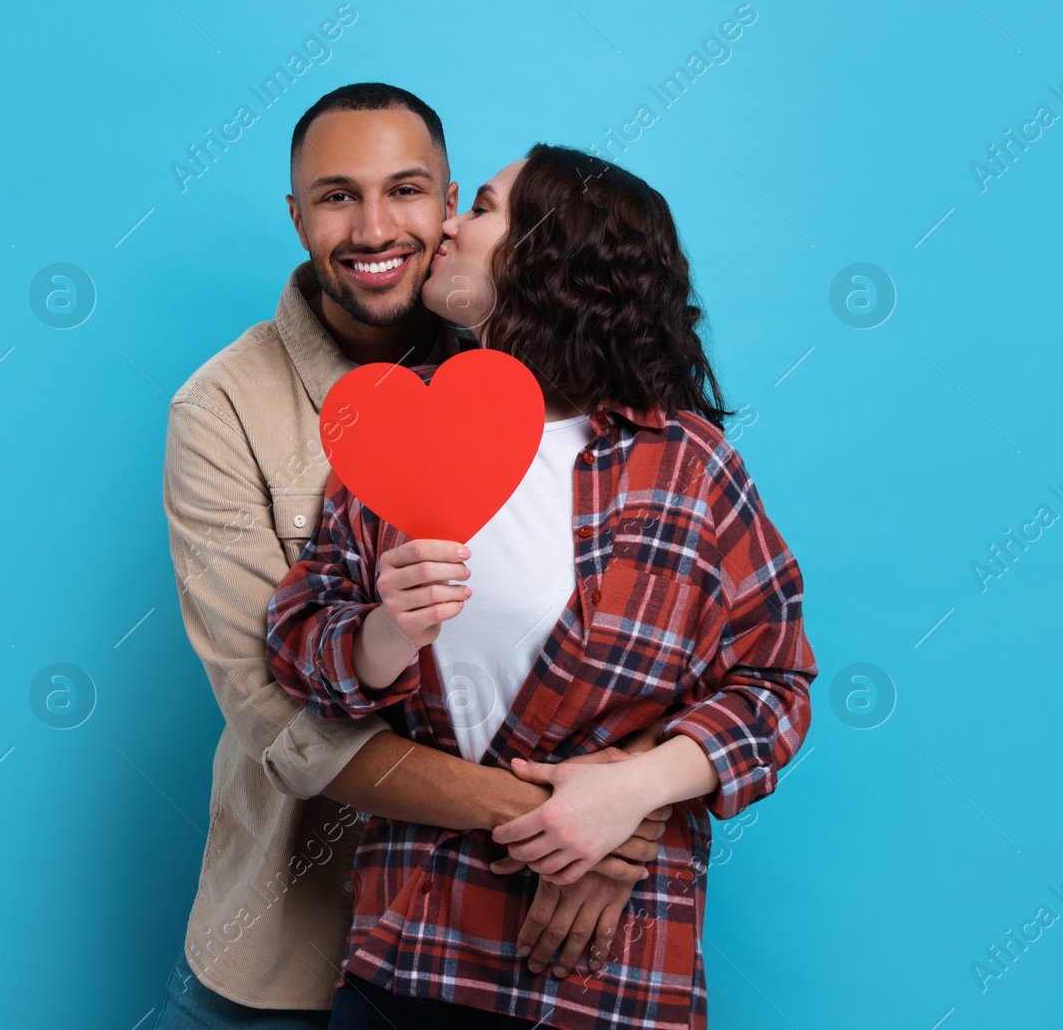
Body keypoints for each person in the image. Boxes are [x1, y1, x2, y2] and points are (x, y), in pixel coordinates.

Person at [266, 143, 819, 1029]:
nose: (445, 224)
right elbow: (298, 646)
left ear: (548, 257)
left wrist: (632, 794)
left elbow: (775, 685)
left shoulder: (686, 466)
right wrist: (383, 633)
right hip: (412, 956)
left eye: (480, 208)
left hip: (611, 968)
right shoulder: (395, 425)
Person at [156, 91, 672, 1029]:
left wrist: (636, 793)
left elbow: (668, 636)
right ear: (297, 216)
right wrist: (575, 825)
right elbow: (282, 718)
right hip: (288, 949)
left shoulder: (534, 365)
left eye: (407, 191)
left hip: (504, 953)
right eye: (336, 196)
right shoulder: (220, 409)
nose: (374, 227)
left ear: (447, 210)